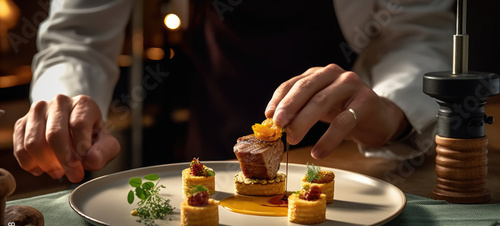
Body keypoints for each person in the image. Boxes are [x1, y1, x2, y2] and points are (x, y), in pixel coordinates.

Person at [13, 0, 455, 183]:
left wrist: (392, 113)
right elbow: (77, 39)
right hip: (211, 131)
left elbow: (418, 29)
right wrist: (66, 102)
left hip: (352, 159)